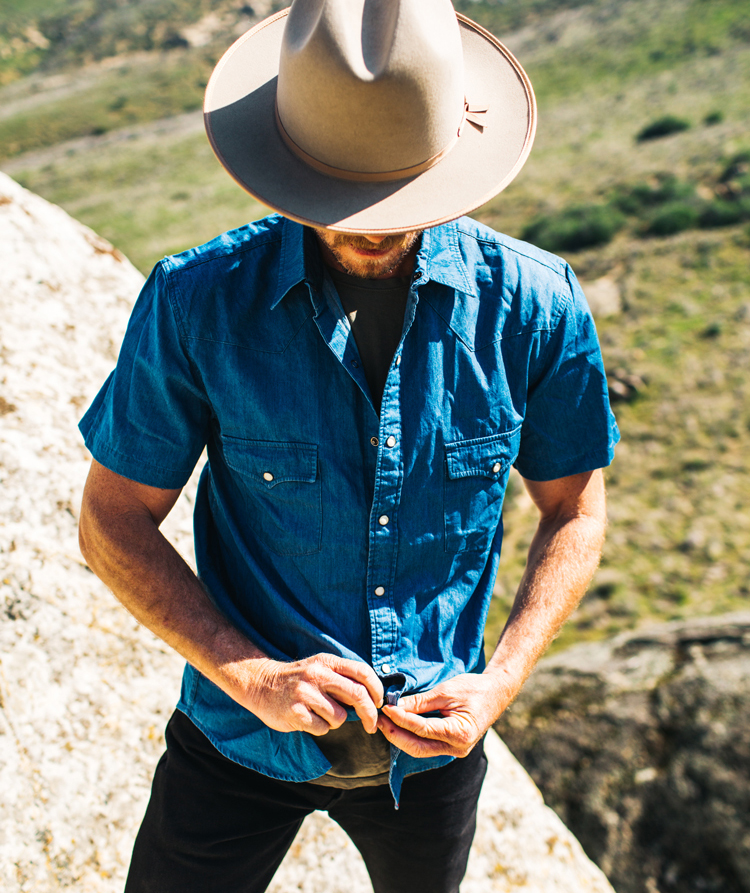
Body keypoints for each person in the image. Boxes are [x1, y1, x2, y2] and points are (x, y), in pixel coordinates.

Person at [77, 2, 619, 891]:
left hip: (431, 763)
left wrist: (500, 683)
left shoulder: (535, 305)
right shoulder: (195, 301)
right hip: (238, 740)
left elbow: (575, 509)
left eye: (398, 198)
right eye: (343, 196)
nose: (370, 223)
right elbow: (111, 520)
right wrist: (250, 674)